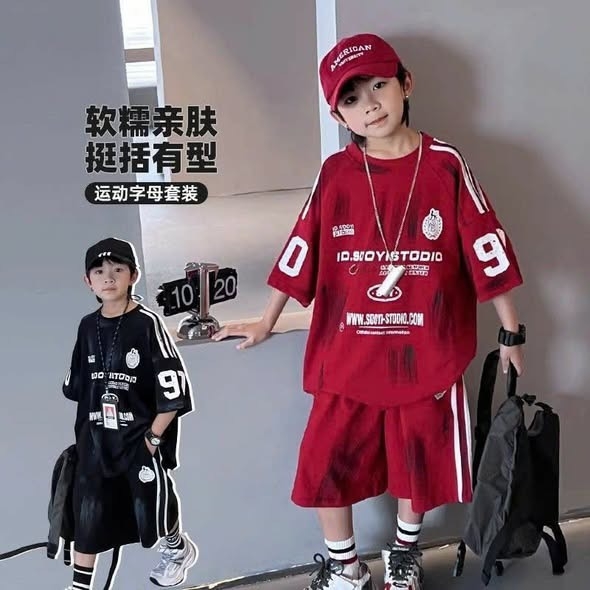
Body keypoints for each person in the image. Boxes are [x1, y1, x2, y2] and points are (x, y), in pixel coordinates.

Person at [213, 32, 527, 590]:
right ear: (339, 115)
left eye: (380, 86)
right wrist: (266, 319)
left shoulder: (445, 163)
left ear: (406, 83)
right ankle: (345, 568)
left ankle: (404, 556)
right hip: (349, 350)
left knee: (418, 463)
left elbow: (486, 240)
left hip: (426, 347)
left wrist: (511, 330)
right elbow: (303, 243)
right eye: (352, 99)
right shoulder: (337, 172)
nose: (371, 105)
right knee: (324, 462)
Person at [62, 237, 197, 589]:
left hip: (138, 438)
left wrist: (152, 439)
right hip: (95, 439)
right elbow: (77, 386)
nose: (108, 277)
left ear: (133, 275)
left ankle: (176, 548)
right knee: (87, 512)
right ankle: (80, 587)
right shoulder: (87, 327)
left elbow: (173, 390)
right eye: (99, 271)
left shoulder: (146, 324)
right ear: (87, 281)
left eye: (117, 269)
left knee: (150, 505)